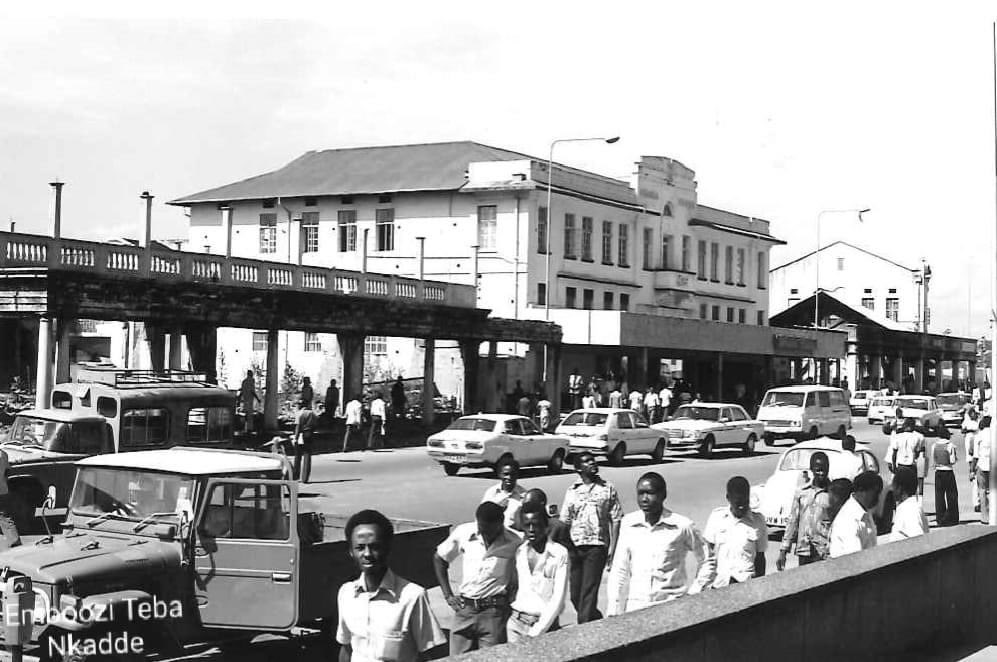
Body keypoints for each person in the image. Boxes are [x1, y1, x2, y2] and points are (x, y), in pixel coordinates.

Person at [337, 509, 445, 662]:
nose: (367, 554)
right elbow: (347, 648)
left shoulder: (412, 596)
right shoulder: (346, 594)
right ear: (350, 552)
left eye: (375, 547)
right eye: (360, 548)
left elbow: (430, 653)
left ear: (387, 548)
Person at [607, 472, 708, 614]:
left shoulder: (681, 526)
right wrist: (614, 606)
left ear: (663, 495)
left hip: (672, 605)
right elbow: (619, 568)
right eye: (640, 493)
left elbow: (707, 560)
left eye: (650, 493)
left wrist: (695, 592)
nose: (644, 499)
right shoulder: (629, 524)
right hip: (637, 607)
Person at [434, 502, 521, 654]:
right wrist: (448, 595)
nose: (486, 537)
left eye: (491, 532)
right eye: (483, 531)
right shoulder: (464, 532)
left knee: (492, 657)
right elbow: (439, 558)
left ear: (501, 524)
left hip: (493, 614)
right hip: (465, 610)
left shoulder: (515, 541)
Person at [561, 452, 623, 623]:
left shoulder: (607, 488)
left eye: (593, 460)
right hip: (575, 547)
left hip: (597, 547)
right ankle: (596, 620)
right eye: (587, 461)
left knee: (588, 592)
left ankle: (584, 633)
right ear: (578, 468)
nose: (593, 463)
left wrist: (612, 547)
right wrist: (565, 549)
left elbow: (616, 519)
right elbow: (565, 521)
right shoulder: (572, 491)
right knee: (575, 596)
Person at [506, 503, 569, 642]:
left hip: (544, 627)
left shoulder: (559, 553)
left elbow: (558, 598)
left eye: (536, 524)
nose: (531, 530)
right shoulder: (519, 552)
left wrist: (536, 632)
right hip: (516, 624)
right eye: (527, 525)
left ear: (546, 526)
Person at [696, 476, 767, 590]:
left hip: (746, 584)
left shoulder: (758, 521)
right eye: (738, 503)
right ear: (728, 498)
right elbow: (706, 557)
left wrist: (759, 587)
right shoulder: (717, 517)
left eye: (746, 501)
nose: (742, 507)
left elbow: (760, 558)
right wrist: (700, 586)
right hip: (720, 585)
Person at [777, 452, 833, 569]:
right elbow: (793, 520)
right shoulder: (802, 492)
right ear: (812, 469)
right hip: (805, 550)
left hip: (824, 551)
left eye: (824, 469)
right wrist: (784, 550)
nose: (821, 473)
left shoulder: (833, 493)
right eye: (818, 470)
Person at [828, 471, 883, 558]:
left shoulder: (865, 513)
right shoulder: (848, 519)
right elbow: (855, 560)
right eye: (875, 493)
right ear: (862, 491)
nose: (877, 498)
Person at [521, 488, 574, 554]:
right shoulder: (528, 527)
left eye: (529, 503)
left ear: (542, 503)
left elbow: (570, 557)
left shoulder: (558, 527)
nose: (526, 506)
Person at [481, 460, 526, 531]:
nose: (509, 477)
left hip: (515, 535)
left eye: (513, 474)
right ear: (500, 475)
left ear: (517, 475)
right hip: (494, 533)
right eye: (506, 474)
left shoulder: (523, 495)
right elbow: (481, 514)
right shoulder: (492, 493)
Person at [890, 467, 930, 541]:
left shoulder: (909, 510)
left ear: (900, 488)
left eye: (894, 485)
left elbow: (919, 540)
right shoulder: (906, 507)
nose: (892, 489)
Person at [931, 426, 959, 526]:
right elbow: (952, 461)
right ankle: (953, 518)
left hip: (938, 471)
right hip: (948, 471)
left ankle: (940, 518)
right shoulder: (950, 445)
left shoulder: (934, 445)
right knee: (951, 495)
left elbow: (934, 459)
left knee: (939, 496)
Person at [973, 416, 993, 523]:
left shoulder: (979, 435)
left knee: (982, 490)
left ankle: (985, 517)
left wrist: (972, 469)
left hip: (982, 464)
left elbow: (976, 455)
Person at [293, 399, 317, 483]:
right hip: (309, 434)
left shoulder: (299, 413)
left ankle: (295, 476)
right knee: (307, 455)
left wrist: (295, 438)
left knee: (298, 455)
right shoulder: (313, 414)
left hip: (301, 435)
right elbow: (315, 425)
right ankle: (305, 478)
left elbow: (298, 427)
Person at [0, 448, 20, 549]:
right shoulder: (4, 454)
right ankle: (14, 540)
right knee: (5, 518)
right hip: (3, 489)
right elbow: (8, 471)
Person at [963, 406, 980, 511]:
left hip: (977, 447)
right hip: (971, 444)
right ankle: (977, 503)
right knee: (975, 482)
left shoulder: (978, 422)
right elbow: (963, 430)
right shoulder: (967, 422)